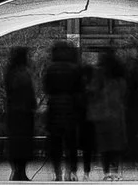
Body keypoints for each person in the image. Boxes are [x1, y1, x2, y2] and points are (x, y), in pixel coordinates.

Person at [43, 42, 90, 181]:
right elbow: (80, 89)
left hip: (54, 108)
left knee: (55, 143)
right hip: (71, 108)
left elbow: (46, 88)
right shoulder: (75, 69)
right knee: (71, 143)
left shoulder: (51, 69)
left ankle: (57, 172)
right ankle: (71, 171)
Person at [89, 48, 129, 179]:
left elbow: (93, 92)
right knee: (116, 144)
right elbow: (124, 93)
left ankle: (107, 172)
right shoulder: (120, 79)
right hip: (117, 113)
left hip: (102, 114)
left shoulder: (99, 74)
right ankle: (115, 170)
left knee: (104, 145)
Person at [4, 49, 38, 181]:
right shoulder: (23, 74)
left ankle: (17, 170)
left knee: (15, 142)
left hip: (14, 112)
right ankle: (20, 171)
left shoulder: (10, 73)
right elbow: (28, 93)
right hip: (23, 113)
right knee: (23, 142)